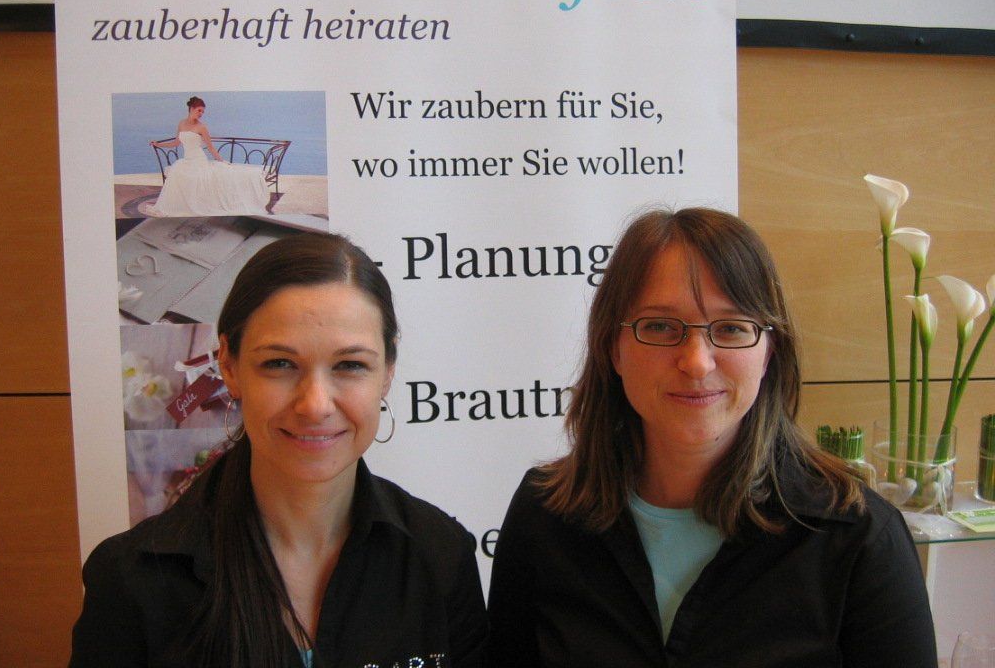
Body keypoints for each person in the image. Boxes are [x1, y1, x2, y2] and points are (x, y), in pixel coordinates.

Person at [486, 207, 937, 668]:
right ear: (612, 348)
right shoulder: (544, 516)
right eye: (660, 326)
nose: (697, 362)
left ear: (770, 353)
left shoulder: (859, 538)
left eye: (732, 328)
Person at [70, 232, 487, 668]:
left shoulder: (440, 556)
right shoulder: (132, 579)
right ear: (229, 366)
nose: (315, 405)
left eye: (350, 365)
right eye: (280, 364)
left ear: (387, 372)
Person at [148, 95, 270, 217]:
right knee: (176, 172)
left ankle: (194, 205)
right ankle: (179, 206)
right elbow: (176, 142)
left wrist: (222, 161)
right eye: (199, 110)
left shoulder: (202, 127)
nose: (201, 114)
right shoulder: (181, 124)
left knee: (196, 175)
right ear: (191, 108)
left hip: (199, 160)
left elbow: (210, 147)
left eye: (203, 112)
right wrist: (158, 144)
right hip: (187, 160)